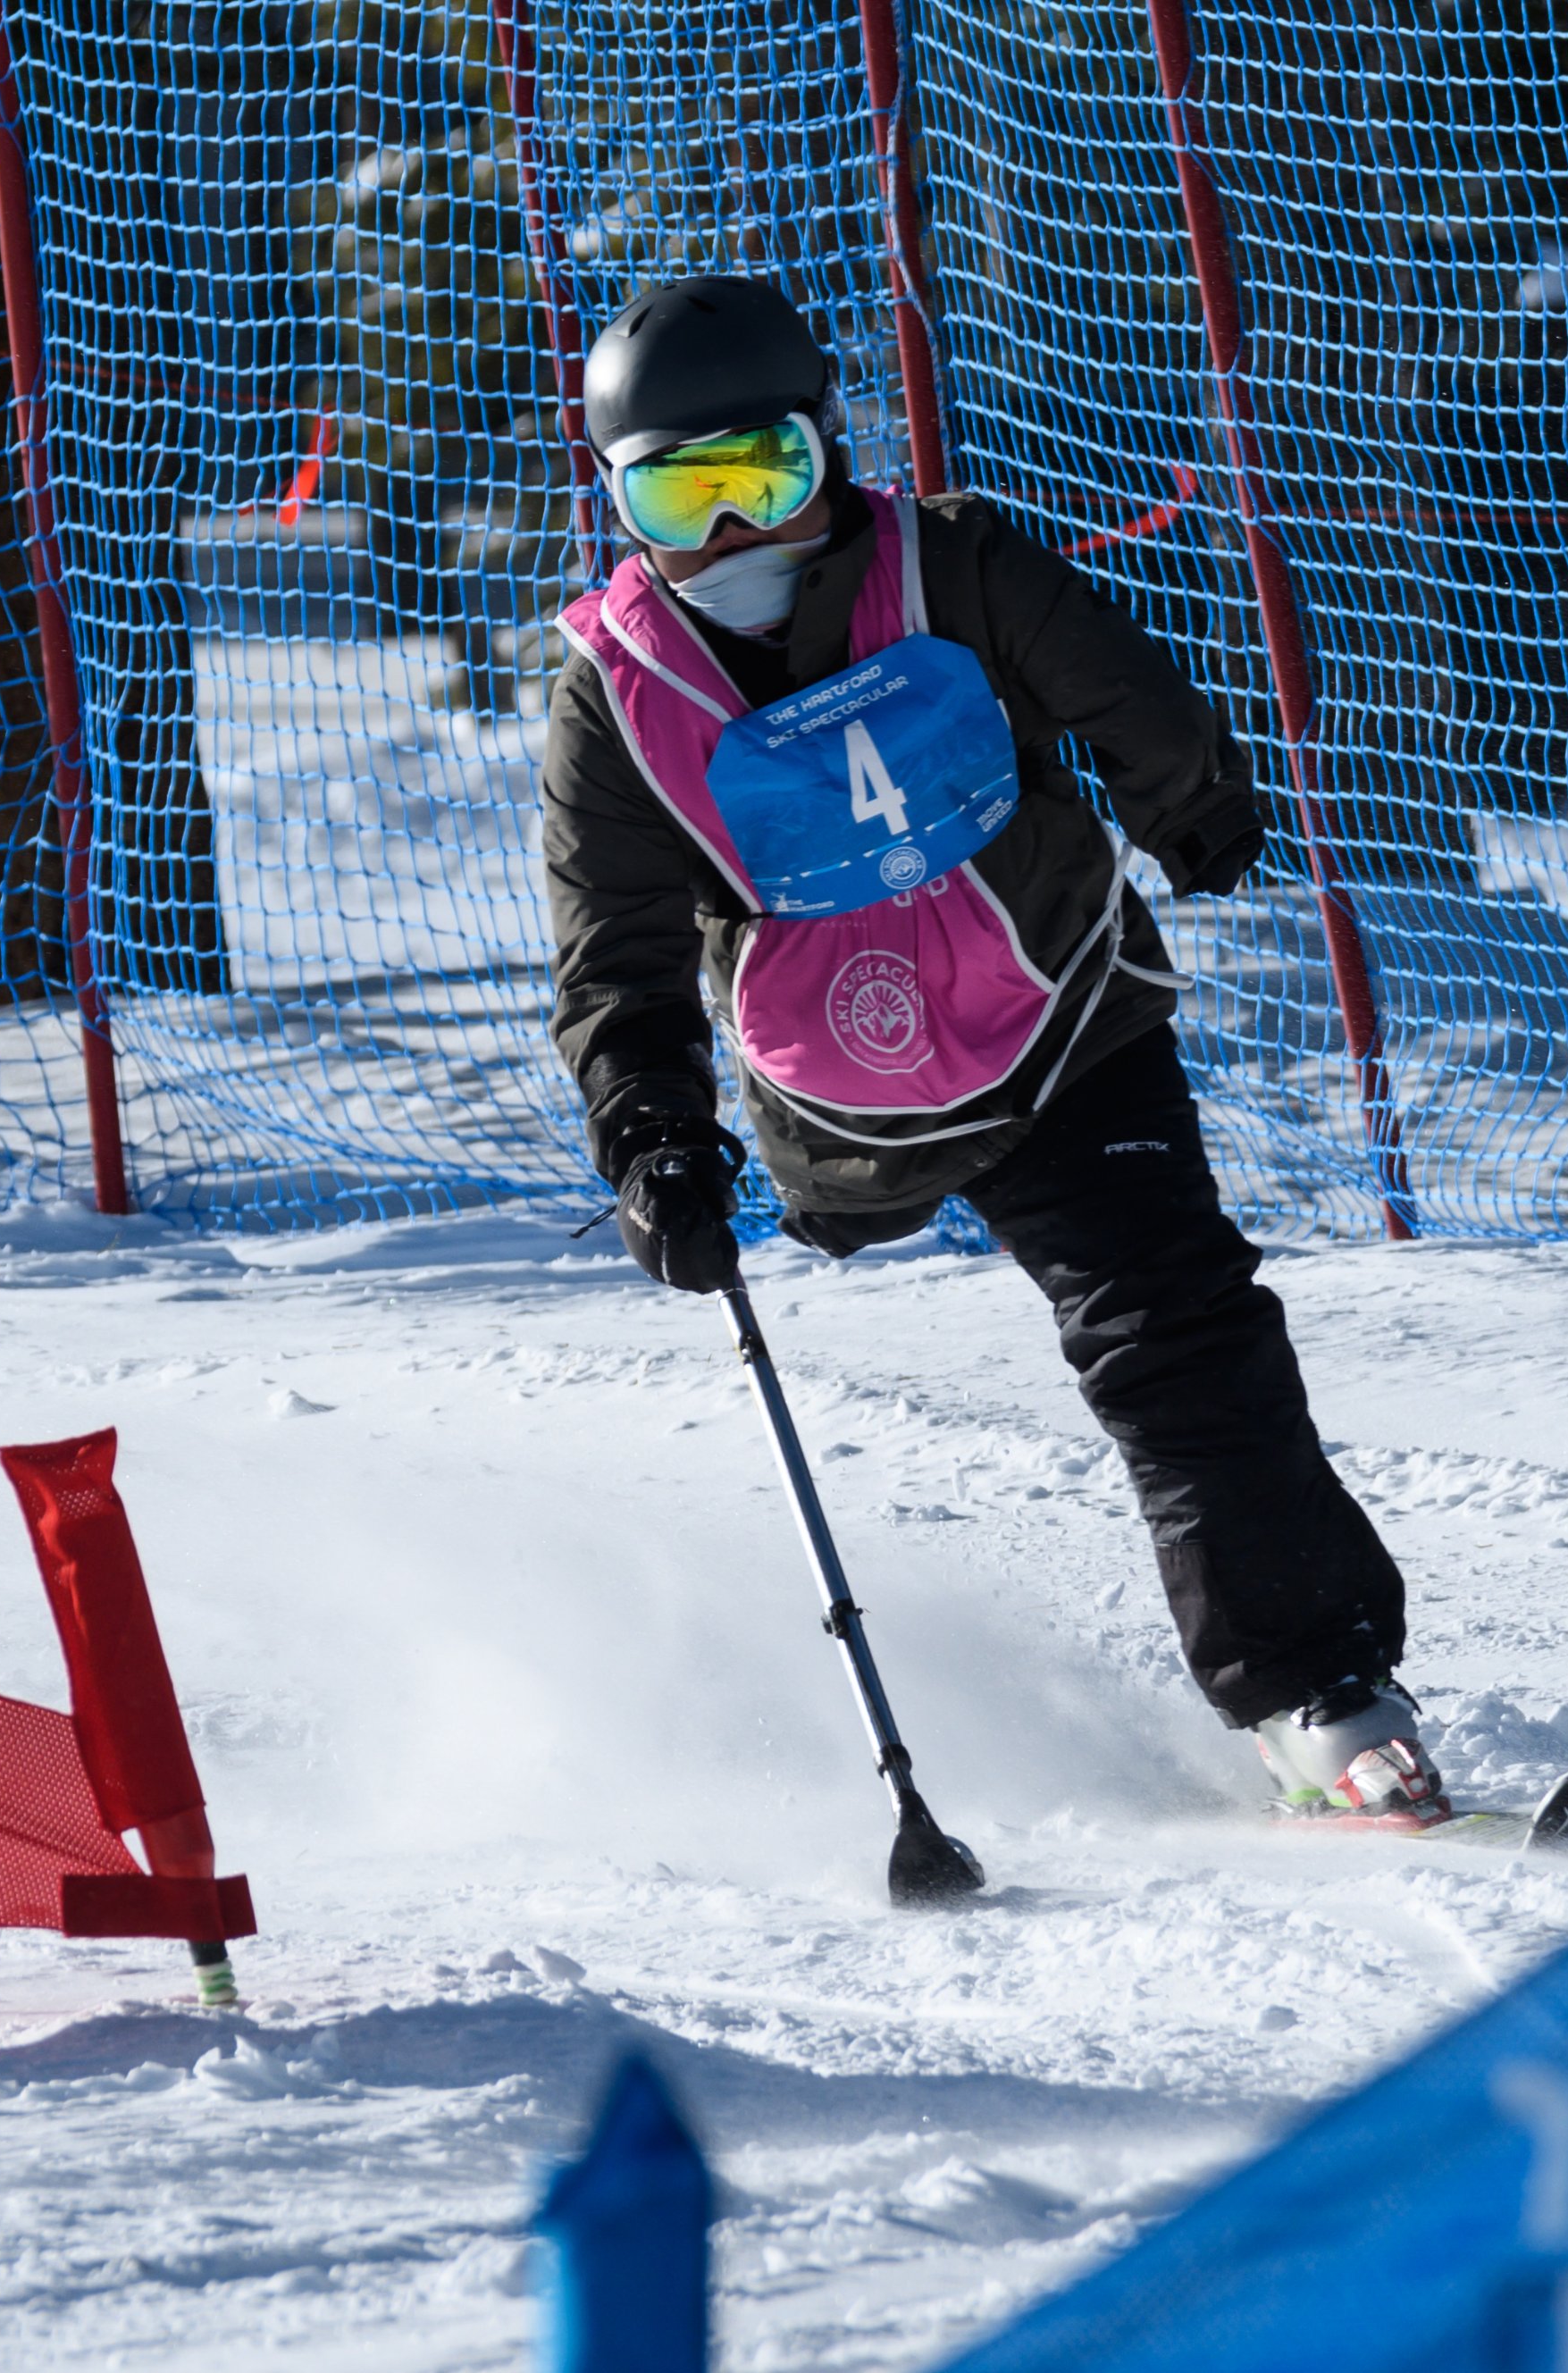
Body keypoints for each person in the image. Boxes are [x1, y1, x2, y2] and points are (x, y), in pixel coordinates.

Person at [538, 273, 1444, 1824]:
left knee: (1176, 1324)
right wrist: (654, 1139)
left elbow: (1109, 679)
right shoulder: (616, 693)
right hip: (853, 1095)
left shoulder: (946, 562)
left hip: (1058, 1011)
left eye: (765, 478)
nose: (737, 538)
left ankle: (1318, 1689)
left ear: (829, 449)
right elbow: (611, 947)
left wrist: (1192, 801)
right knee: (1157, 1318)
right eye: (682, 499)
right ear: (625, 509)